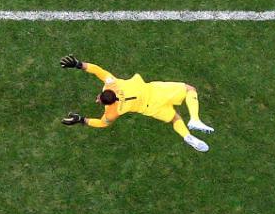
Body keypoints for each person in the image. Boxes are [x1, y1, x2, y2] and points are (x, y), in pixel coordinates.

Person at [59, 56, 214, 152]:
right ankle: (194, 118)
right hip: (155, 91)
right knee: (189, 89)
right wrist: (78, 64)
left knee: (175, 118)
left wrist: (82, 120)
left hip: (149, 108)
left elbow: (102, 123)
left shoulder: (112, 112)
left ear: (104, 102)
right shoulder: (113, 84)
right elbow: (98, 70)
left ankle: (187, 136)